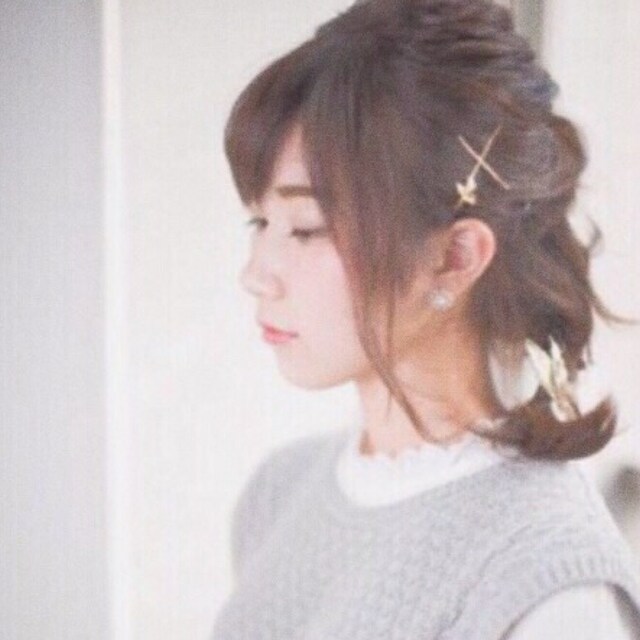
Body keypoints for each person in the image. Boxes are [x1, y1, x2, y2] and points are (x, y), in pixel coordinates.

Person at [211, 0, 640, 637]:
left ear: (455, 258)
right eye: (260, 221)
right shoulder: (278, 494)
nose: (256, 273)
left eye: (305, 228)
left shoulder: (547, 577)